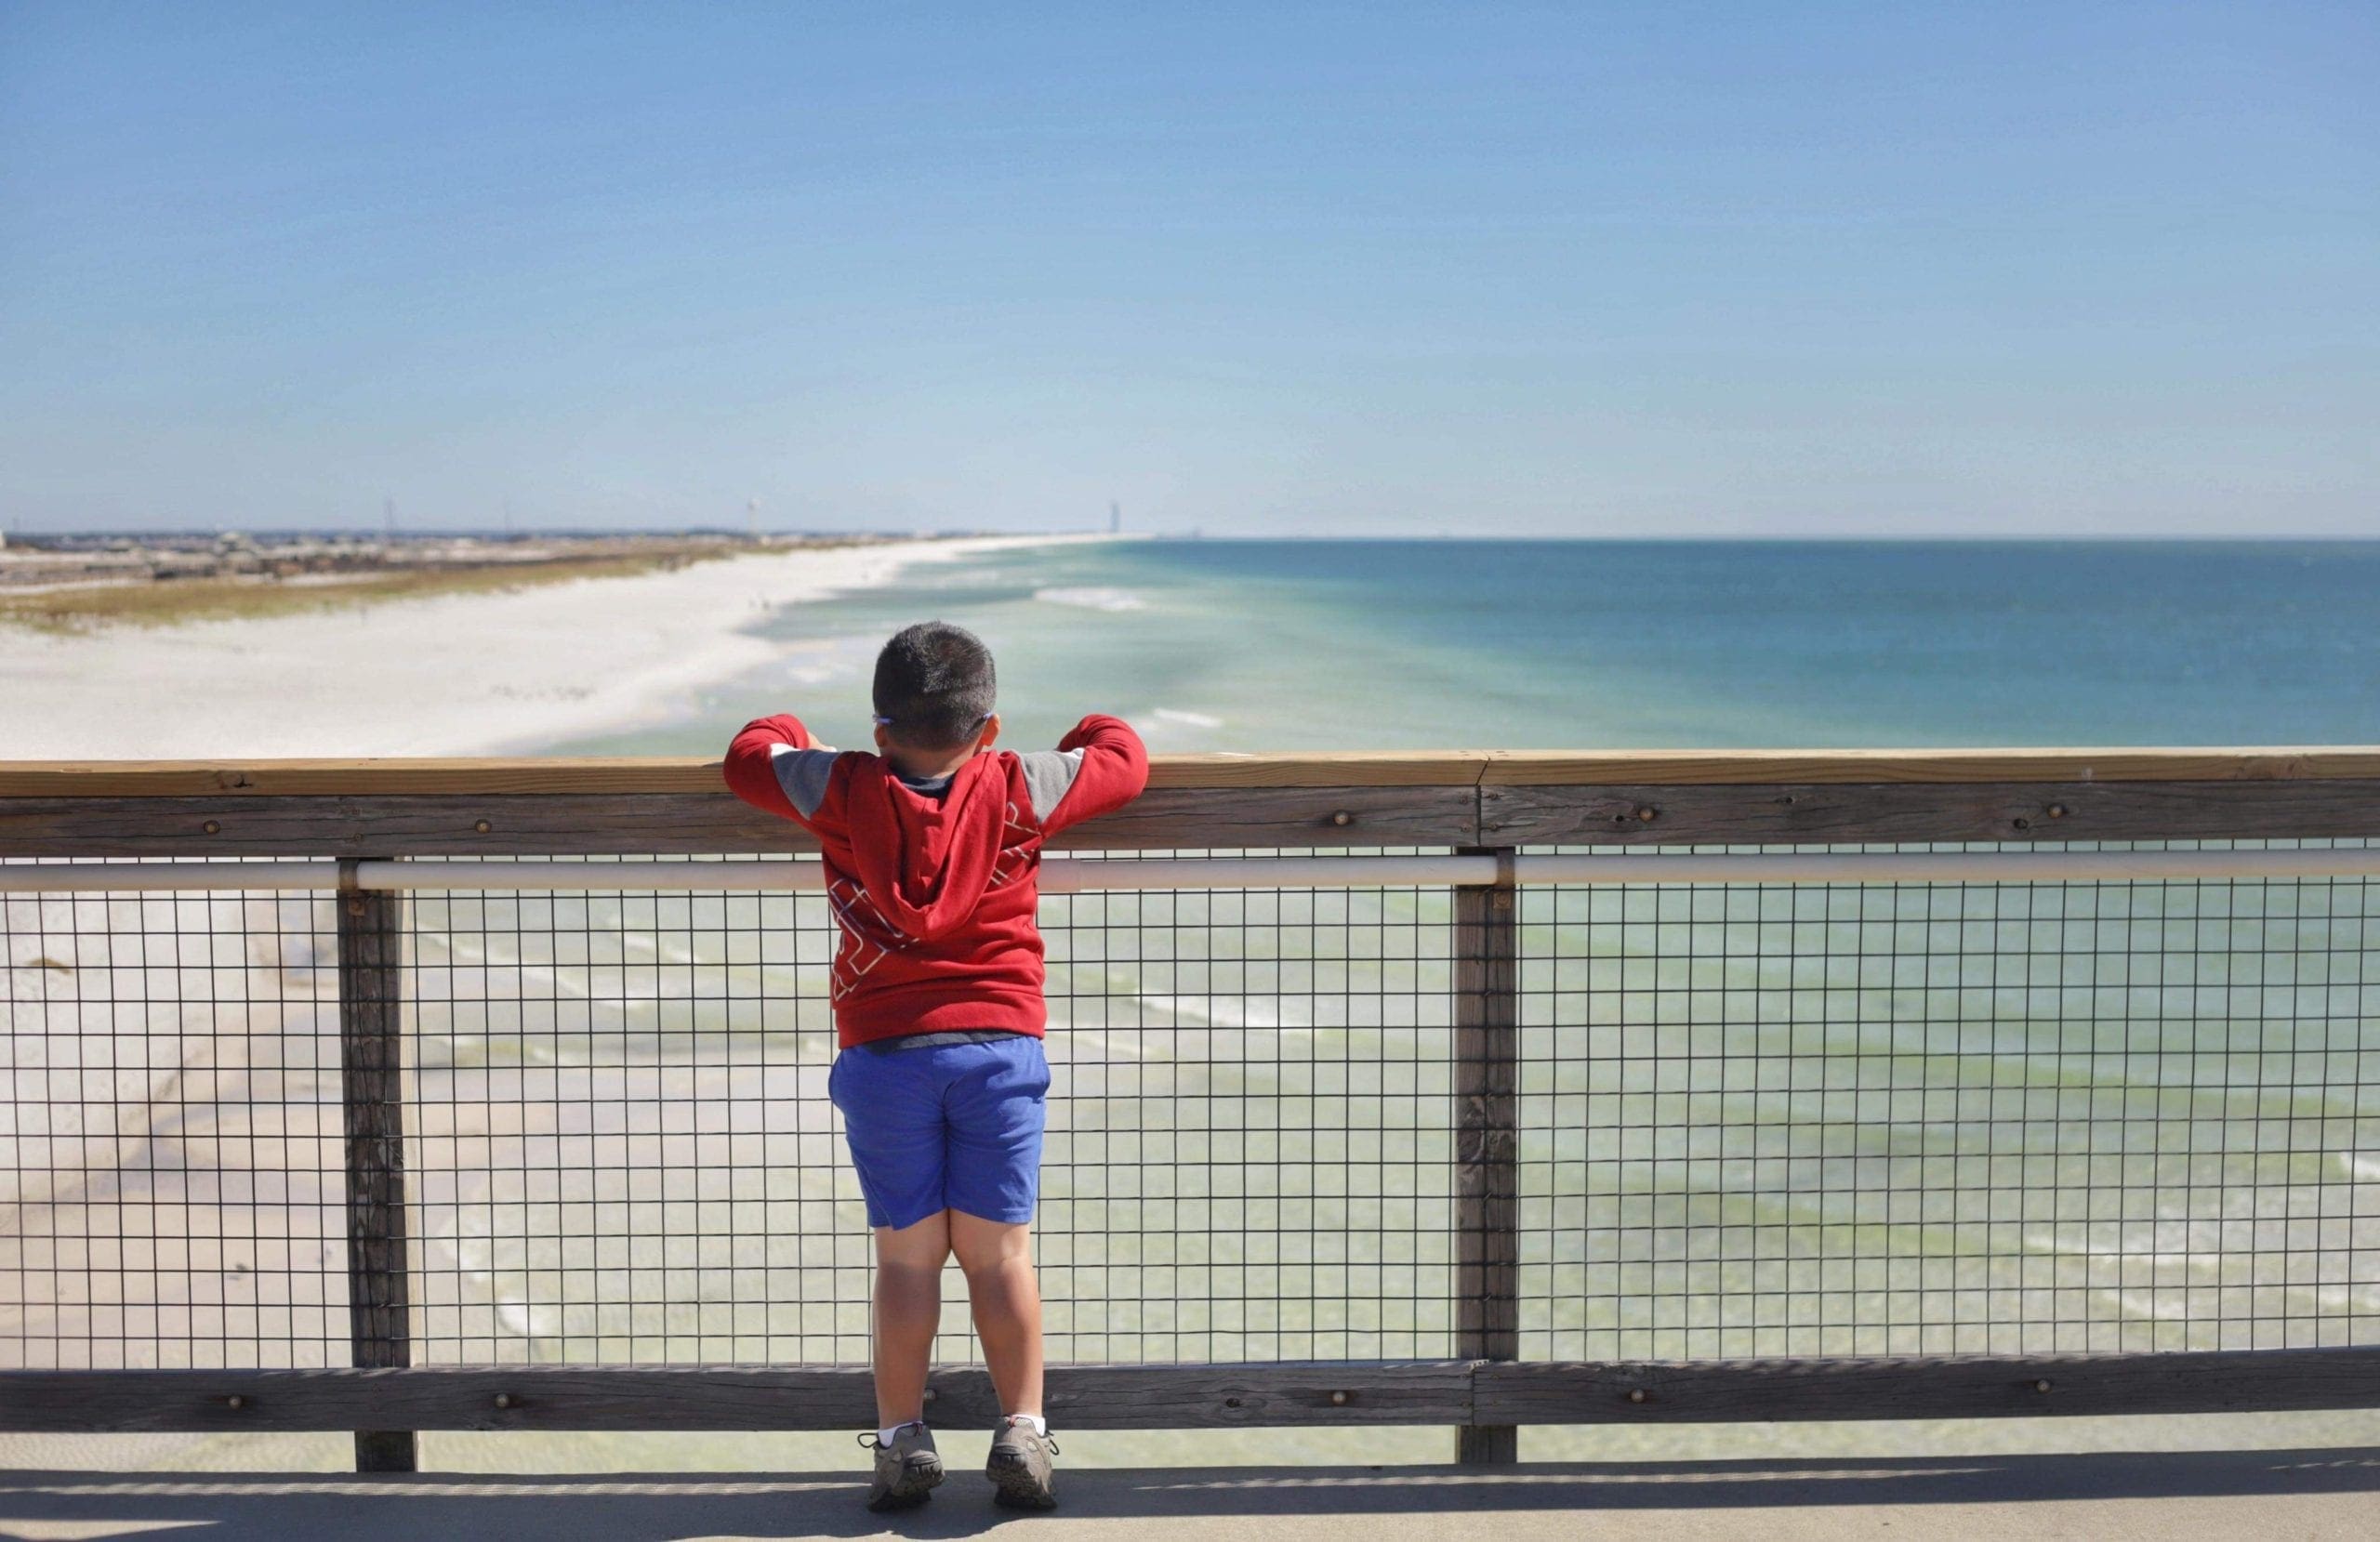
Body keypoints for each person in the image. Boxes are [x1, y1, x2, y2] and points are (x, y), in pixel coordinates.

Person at [722, 621, 1147, 1511]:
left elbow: (749, 754)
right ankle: (1023, 1430)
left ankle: (901, 1439)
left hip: (883, 1051)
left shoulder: (839, 785)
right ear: (987, 730)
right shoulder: (1019, 783)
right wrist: (1080, 731)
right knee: (998, 1257)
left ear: (879, 730)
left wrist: (793, 724)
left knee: (908, 1261)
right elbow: (1123, 755)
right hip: (998, 1048)